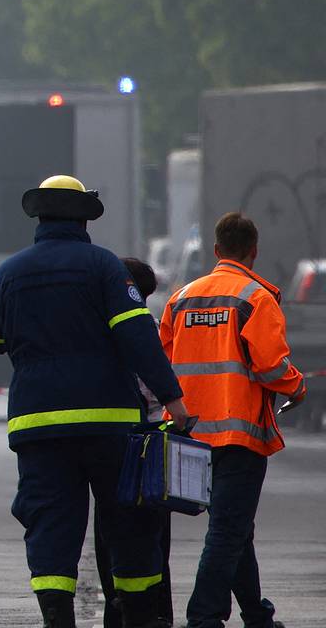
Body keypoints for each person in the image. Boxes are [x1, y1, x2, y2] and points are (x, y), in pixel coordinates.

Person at [0, 175, 190, 628]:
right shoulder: (104, 268)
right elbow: (137, 336)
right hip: (109, 424)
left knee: (51, 527)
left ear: (40, 216)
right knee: (130, 523)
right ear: (83, 218)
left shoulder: (9, 273)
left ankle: (57, 618)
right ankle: (136, 616)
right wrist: (173, 398)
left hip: (37, 425)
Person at [159, 212, 307, 628]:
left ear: (216, 250)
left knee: (236, 528)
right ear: (254, 251)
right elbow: (271, 367)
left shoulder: (182, 298)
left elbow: (162, 359)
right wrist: (297, 389)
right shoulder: (256, 298)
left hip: (190, 435)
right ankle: (203, 617)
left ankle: (256, 615)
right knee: (228, 529)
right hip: (238, 436)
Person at [94, 257, 174, 627]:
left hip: (115, 436)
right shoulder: (150, 328)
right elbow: (161, 383)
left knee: (109, 527)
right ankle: (154, 611)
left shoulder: (101, 329)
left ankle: (116, 609)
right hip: (154, 437)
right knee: (152, 530)